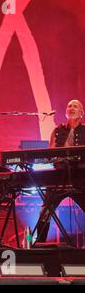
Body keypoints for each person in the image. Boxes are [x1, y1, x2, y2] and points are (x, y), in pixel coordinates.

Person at [35, 99, 85, 243]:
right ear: (65, 112)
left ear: (81, 113)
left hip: (80, 177)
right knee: (44, 211)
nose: (71, 108)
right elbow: (50, 153)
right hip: (58, 176)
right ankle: (40, 244)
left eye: (75, 106)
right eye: (69, 106)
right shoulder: (57, 131)